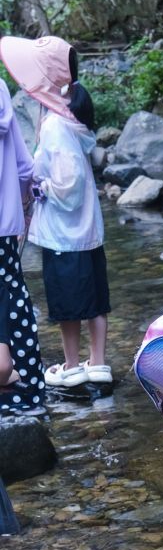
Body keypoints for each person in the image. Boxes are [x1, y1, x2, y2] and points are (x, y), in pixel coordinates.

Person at [0, 36, 111, 389]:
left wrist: (39, 188)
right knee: (95, 302)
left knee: (67, 306)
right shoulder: (73, 121)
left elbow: (68, 183)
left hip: (64, 235)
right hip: (89, 232)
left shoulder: (54, 126)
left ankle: (71, 365)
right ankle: (99, 363)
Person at [0, 75, 44, 418]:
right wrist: (25, 204)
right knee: (12, 300)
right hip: (3, 227)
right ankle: (26, 391)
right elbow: (24, 167)